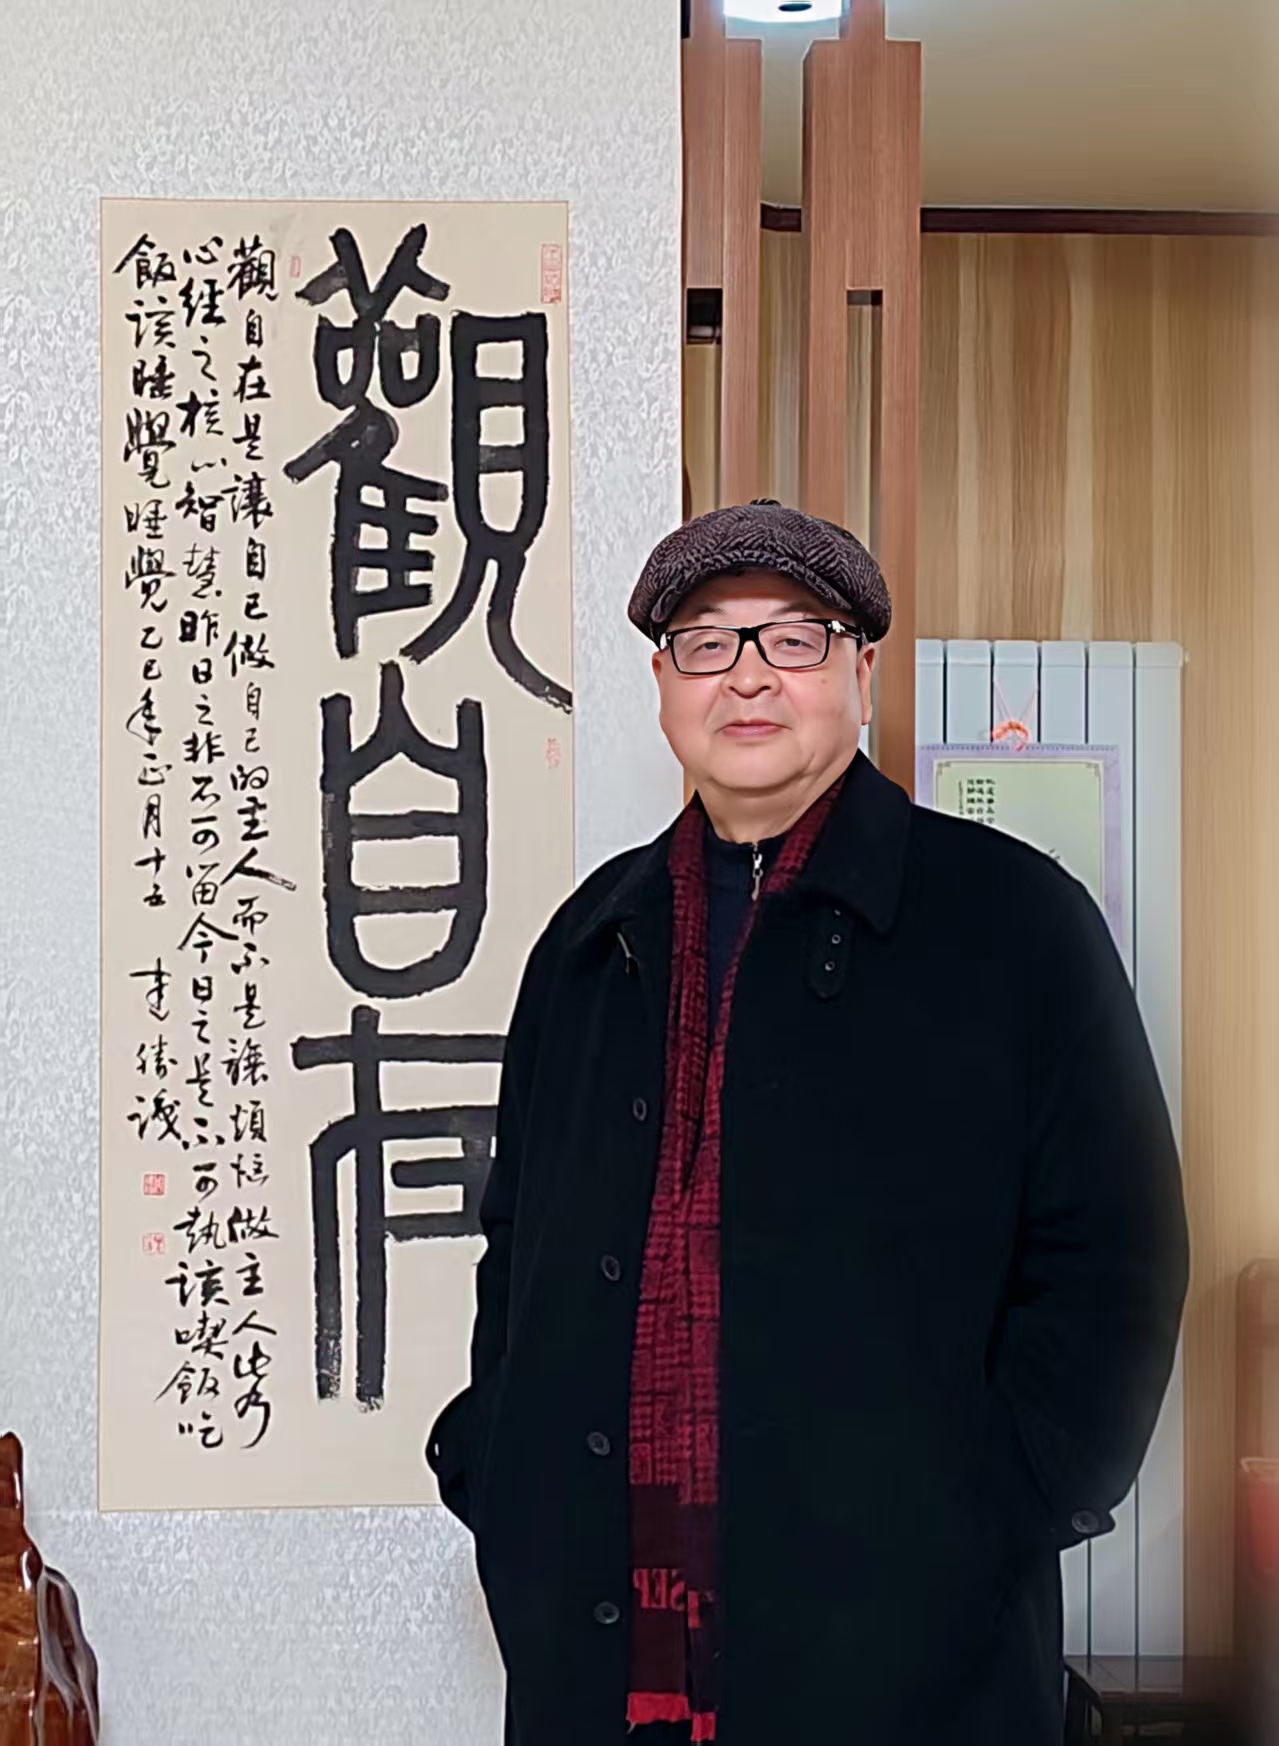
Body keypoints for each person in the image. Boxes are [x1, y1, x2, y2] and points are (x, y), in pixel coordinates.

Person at [426, 498, 1190, 1746]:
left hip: (914, 1653)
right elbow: (517, 1245)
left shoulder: (1011, 924)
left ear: (861, 674)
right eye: (705, 641)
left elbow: (1118, 1256)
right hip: (602, 1641)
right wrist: (496, 1462)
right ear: (663, 685)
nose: (747, 677)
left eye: (793, 638)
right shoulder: (590, 941)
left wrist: (991, 1511)